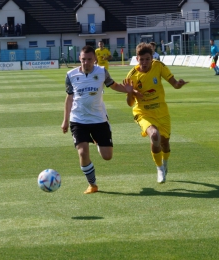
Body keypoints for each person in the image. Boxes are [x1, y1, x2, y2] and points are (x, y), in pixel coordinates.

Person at [61, 45, 135, 194]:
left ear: (95, 59)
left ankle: (95, 139)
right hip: (78, 120)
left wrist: (126, 90)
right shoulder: (71, 75)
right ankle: (92, 184)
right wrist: (65, 120)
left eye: (89, 59)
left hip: (99, 119)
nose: (86, 62)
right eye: (83, 59)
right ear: (79, 59)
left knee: (107, 156)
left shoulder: (101, 72)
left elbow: (113, 85)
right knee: (82, 152)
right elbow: (69, 98)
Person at [125, 43, 188, 183]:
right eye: (141, 59)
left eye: (147, 59)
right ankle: (159, 168)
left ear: (152, 58)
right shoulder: (132, 76)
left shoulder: (158, 66)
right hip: (143, 112)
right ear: (137, 59)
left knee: (165, 143)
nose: (145, 62)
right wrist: (129, 93)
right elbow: (130, 103)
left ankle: (165, 163)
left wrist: (179, 84)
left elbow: (174, 84)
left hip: (161, 111)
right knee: (154, 135)